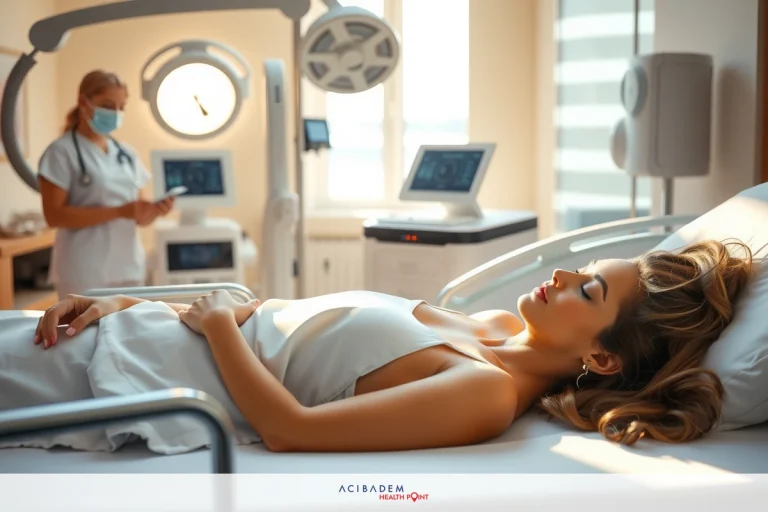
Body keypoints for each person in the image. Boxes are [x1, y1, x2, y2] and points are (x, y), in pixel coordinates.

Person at [0, 239, 754, 453]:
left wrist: (220, 330)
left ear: (603, 359)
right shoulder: (487, 324)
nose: (560, 273)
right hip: (130, 333)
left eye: (587, 291)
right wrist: (135, 300)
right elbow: (279, 314)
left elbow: (289, 430)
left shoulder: (485, 391)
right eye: (586, 270)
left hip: (127, 378)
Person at [38, 70, 176, 299]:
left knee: (129, 333)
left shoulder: (127, 153)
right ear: (84, 102)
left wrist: (154, 212)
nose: (116, 113)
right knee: (84, 333)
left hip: (128, 268)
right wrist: (119, 211)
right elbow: (54, 216)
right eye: (108, 105)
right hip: (83, 272)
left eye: (121, 107)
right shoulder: (61, 152)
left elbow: (138, 217)